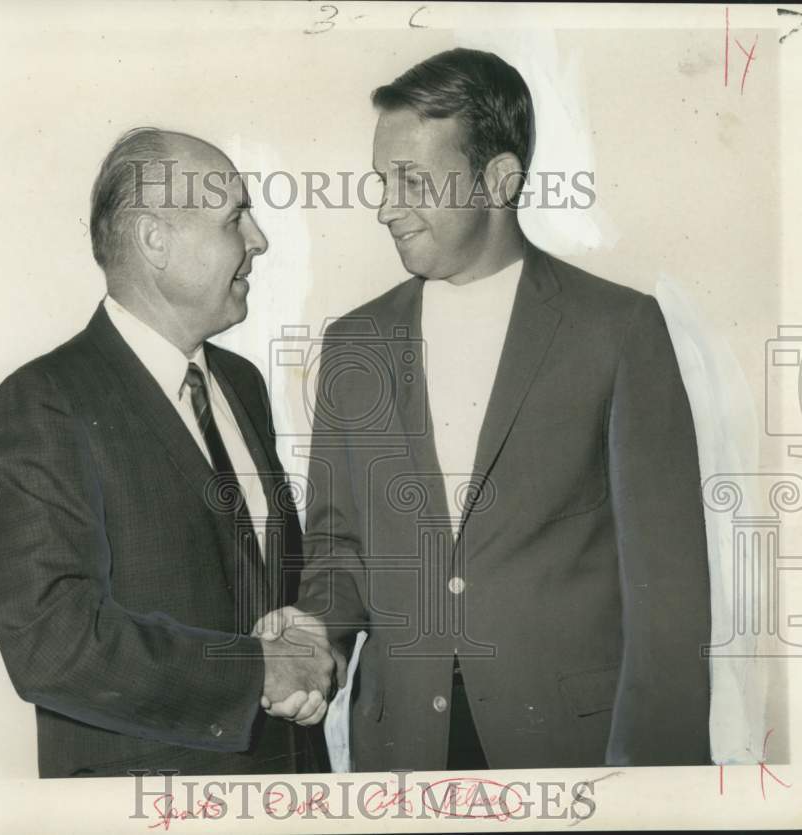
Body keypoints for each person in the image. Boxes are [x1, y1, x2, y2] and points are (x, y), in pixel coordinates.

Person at [261, 48, 712, 770]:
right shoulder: (353, 343)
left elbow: (669, 589)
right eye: (383, 180)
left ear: (498, 180)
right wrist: (317, 636)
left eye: (412, 180)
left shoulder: (619, 329)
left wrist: (659, 785)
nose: (386, 206)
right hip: (402, 747)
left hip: (576, 749)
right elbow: (338, 547)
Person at [0, 127, 340, 778]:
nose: (258, 239)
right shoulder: (42, 401)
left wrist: (307, 638)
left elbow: (268, 581)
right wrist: (256, 668)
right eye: (235, 218)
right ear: (154, 241)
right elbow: (50, 643)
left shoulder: (242, 384)